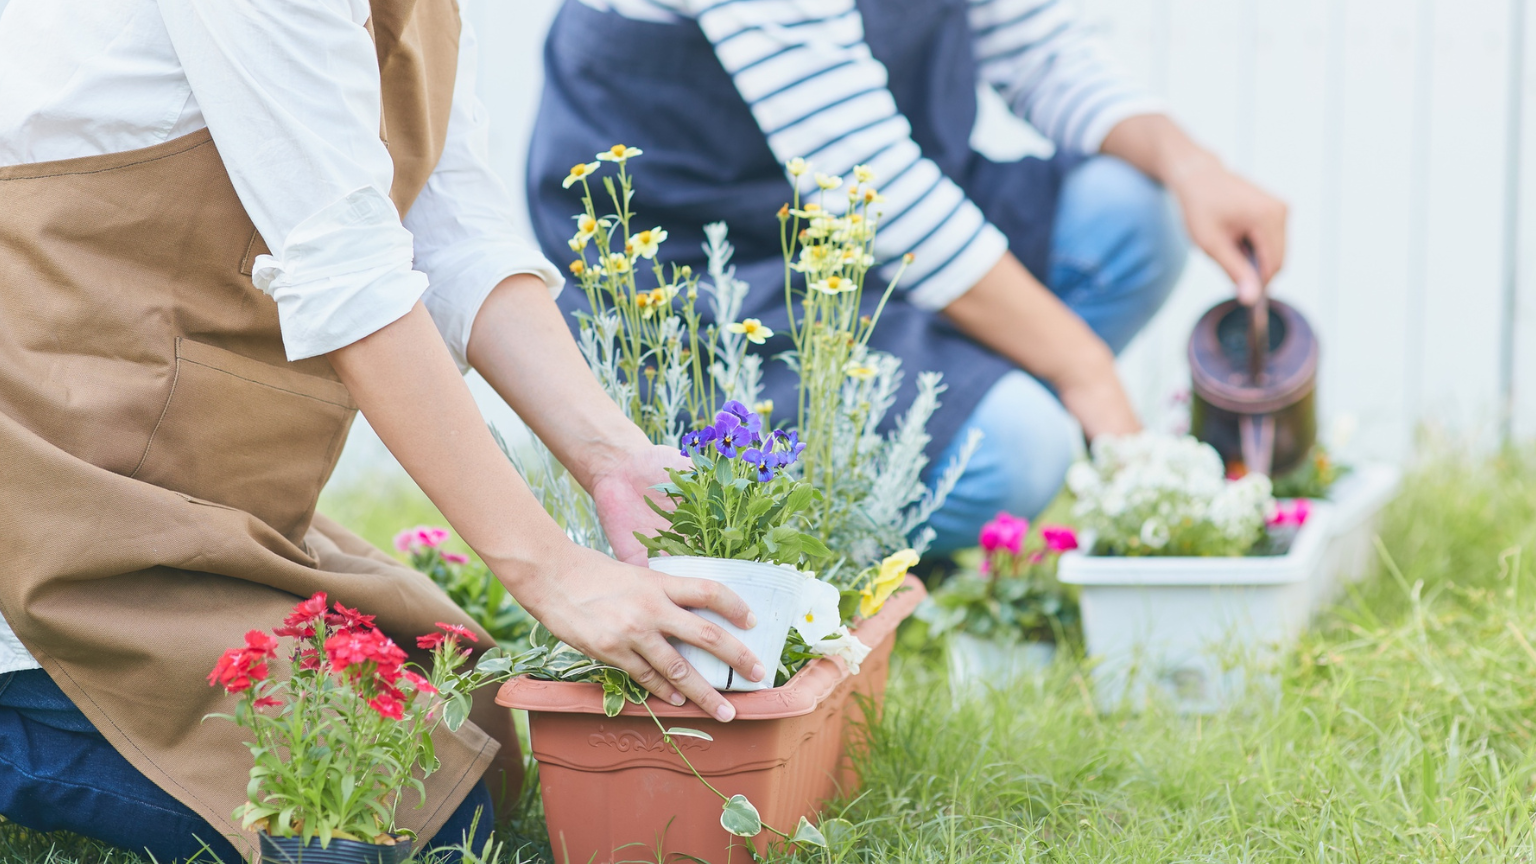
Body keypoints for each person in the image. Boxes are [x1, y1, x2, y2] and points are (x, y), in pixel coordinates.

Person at [0, 1, 768, 859]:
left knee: (476, 734)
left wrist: (611, 456)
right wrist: (552, 571)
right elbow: (350, 271)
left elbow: (449, 228)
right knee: (382, 816)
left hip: (173, 486)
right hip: (43, 493)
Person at [526, 0, 1289, 551]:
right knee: (1017, 447)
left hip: (861, 232)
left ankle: (951, 415)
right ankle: (829, 553)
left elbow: (1043, 51)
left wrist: (1195, 169)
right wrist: (1083, 372)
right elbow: (868, 179)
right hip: (710, 272)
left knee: (1132, 212)